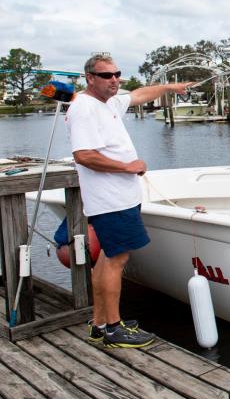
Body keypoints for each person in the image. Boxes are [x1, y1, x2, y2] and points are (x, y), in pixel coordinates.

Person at [65, 53, 191, 348]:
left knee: (106, 261)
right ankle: (113, 328)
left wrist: (170, 88)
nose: (114, 80)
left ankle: (98, 324)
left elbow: (138, 95)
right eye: (107, 76)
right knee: (116, 260)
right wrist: (128, 166)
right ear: (90, 78)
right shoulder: (84, 108)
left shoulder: (108, 102)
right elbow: (83, 155)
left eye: (116, 74)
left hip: (121, 197)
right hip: (110, 200)